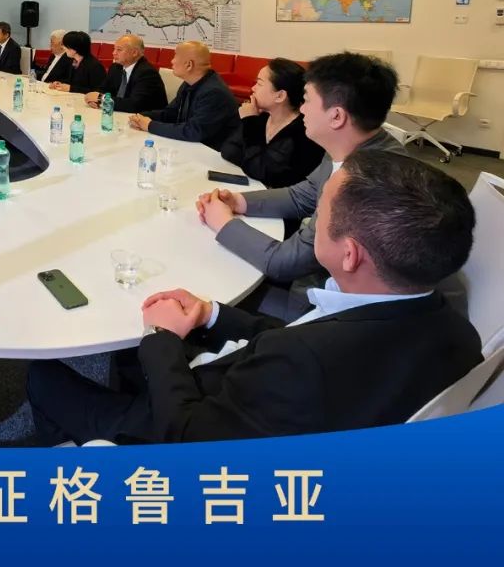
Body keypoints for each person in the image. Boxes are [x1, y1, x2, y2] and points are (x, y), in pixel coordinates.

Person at [27, 150, 483, 445]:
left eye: (320, 213)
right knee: (134, 359)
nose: (311, 221)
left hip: (189, 431)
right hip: (288, 410)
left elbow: (186, 434)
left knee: (44, 375)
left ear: (349, 254)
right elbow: (302, 335)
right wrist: (211, 315)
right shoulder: (458, 333)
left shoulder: (301, 363)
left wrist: (161, 338)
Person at [197, 52, 403, 317]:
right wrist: (239, 201)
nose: (301, 109)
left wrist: (223, 223)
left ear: (336, 116)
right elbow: (302, 195)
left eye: (306, 100)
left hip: (338, 309)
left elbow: (285, 262)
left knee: (213, 293)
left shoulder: (364, 182)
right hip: (322, 279)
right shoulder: (351, 143)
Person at [220, 58, 324, 188]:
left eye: (259, 83)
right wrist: (251, 162)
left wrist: (249, 121)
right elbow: (228, 149)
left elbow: (262, 171)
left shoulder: (302, 132)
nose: (253, 88)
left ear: (280, 96)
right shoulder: (262, 117)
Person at [128, 41, 238, 150]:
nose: (172, 61)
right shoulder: (189, 83)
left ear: (189, 65)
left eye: (175, 56)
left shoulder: (214, 92)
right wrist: (140, 117)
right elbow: (171, 113)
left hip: (212, 153)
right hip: (192, 146)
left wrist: (150, 125)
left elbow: (193, 131)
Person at [84, 34, 166, 113]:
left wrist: (102, 99)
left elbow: (135, 105)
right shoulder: (116, 67)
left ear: (134, 53)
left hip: (146, 118)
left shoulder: (147, 73)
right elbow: (103, 89)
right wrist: (94, 99)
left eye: (119, 50)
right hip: (120, 114)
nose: (113, 53)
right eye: (114, 49)